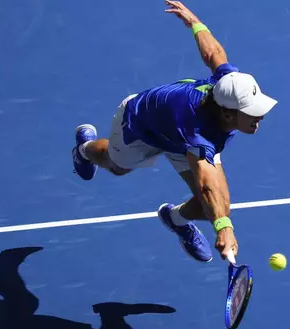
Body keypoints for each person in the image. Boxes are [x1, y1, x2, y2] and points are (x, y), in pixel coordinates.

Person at [71, 0, 278, 263]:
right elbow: (205, 184)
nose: (260, 115)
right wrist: (223, 228)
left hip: (177, 133)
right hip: (139, 125)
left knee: (220, 208)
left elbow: (214, 54)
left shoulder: (226, 85)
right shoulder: (199, 135)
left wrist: (195, 23)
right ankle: (84, 150)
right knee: (116, 166)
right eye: (251, 110)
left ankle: (175, 219)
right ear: (227, 113)